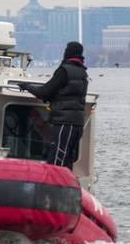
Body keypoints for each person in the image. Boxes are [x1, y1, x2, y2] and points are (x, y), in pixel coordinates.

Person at [18, 41, 88, 170]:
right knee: (67, 162)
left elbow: (45, 91)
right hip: (77, 124)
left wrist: (27, 86)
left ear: (68, 52)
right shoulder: (83, 72)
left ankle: (55, 188)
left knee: (57, 161)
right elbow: (69, 94)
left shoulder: (65, 71)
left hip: (64, 123)